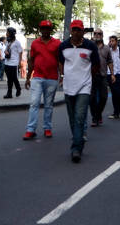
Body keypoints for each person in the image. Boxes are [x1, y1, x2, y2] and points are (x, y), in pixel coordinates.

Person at [58, 19, 99, 162]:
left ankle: (76, 149)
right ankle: (79, 140)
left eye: (79, 30)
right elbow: (61, 62)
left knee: (80, 116)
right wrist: (63, 76)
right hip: (69, 87)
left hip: (84, 86)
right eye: (73, 29)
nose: (76, 32)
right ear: (70, 31)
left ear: (83, 31)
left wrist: (89, 79)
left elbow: (96, 65)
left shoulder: (90, 46)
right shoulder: (63, 46)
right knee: (72, 119)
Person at [24, 20, 62, 140]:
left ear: (51, 30)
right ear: (40, 30)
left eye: (47, 28)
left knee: (48, 105)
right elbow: (31, 61)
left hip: (52, 78)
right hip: (37, 77)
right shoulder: (35, 43)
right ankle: (30, 129)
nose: (45, 30)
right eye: (43, 28)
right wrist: (28, 77)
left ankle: (47, 128)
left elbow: (60, 61)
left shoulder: (57, 43)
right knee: (34, 103)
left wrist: (62, 76)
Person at [89, 29, 114, 127]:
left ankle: (98, 114)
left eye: (99, 34)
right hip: (91, 76)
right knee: (91, 99)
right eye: (95, 33)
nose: (97, 35)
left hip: (103, 75)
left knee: (104, 97)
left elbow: (110, 61)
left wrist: (112, 74)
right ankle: (95, 118)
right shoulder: (90, 46)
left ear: (102, 35)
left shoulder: (107, 48)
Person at [3, 28, 22, 98]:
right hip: (7, 62)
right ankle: (9, 93)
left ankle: (18, 88)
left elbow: (20, 52)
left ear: (11, 33)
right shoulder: (8, 42)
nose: (6, 33)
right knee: (9, 79)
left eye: (7, 32)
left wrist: (20, 62)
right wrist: (6, 52)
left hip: (14, 63)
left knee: (14, 78)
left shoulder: (17, 43)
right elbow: (5, 50)